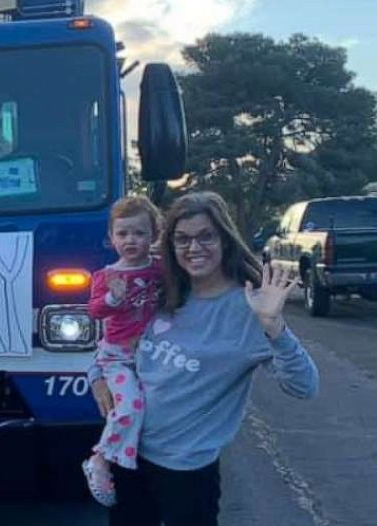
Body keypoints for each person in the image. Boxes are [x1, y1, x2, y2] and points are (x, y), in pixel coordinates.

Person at [89, 191, 320, 526]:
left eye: (205, 236)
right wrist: (96, 374)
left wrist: (274, 326)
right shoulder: (164, 290)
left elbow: (305, 386)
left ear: (225, 240)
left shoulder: (249, 309)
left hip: (186, 471)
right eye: (182, 239)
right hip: (130, 456)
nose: (194, 248)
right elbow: (116, 337)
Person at [82, 196, 164, 507]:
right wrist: (115, 299)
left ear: (153, 235)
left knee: (150, 412)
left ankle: (139, 478)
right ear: (111, 238)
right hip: (116, 358)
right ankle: (100, 460)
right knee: (129, 407)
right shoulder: (105, 276)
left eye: (139, 233)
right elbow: (94, 311)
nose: (131, 240)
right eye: (123, 233)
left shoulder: (159, 269)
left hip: (155, 355)